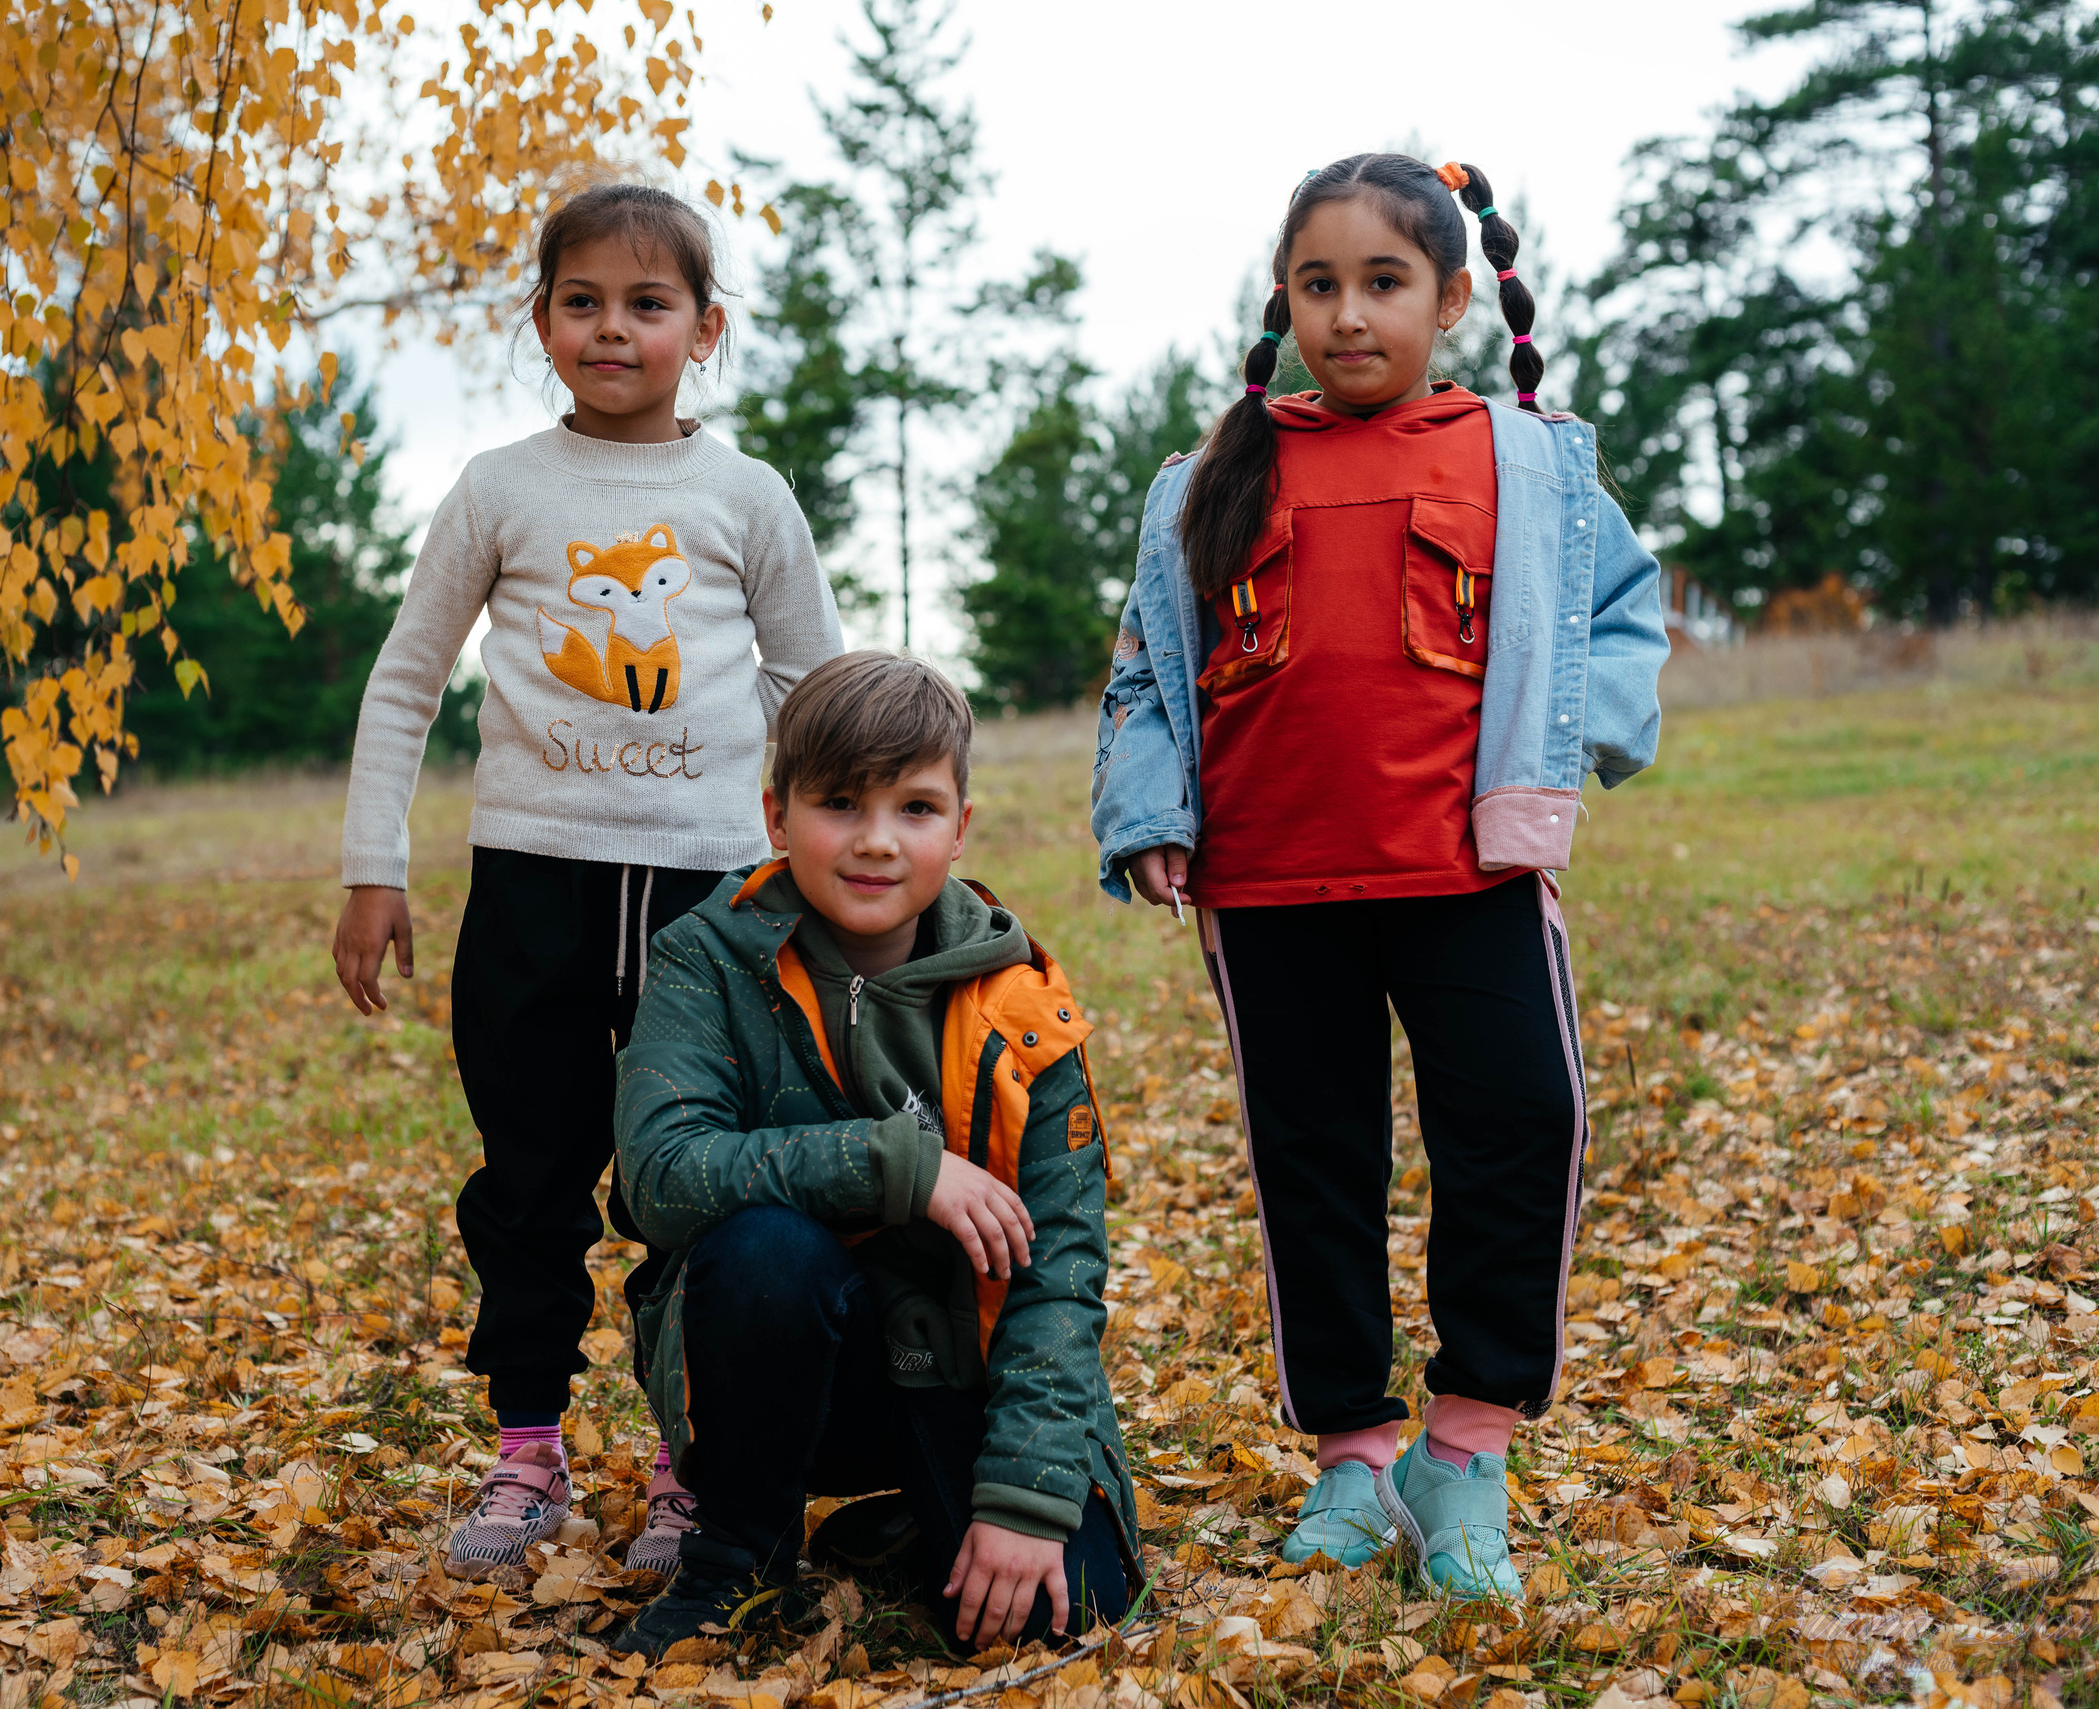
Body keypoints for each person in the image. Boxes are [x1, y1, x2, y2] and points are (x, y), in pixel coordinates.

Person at [1090, 155, 1668, 1602]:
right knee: (1316, 1167)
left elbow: (1619, 615)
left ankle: (1466, 1447)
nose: (1348, 313)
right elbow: (1146, 677)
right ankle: (1354, 1452)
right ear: (1283, 299)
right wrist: (1150, 810)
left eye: (1384, 282)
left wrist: (1568, 736)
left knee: (1524, 1120)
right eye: (1318, 283)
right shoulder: (1208, 480)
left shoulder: (1528, 463)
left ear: (1453, 298)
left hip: (1464, 869)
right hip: (1272, 886)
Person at [330, 181, 845, 1579]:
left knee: (691, 1189)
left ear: (706, 327)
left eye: (647, 303)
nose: (613, 328)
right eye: (582, 301)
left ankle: (693, 1464)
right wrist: (376, 867)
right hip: (532, 894)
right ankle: (526, 1455)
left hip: (714, 909)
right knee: (533, 1183)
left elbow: (816, 691)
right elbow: (404, 682)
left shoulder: (746, 497)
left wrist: (838, 875)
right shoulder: (501, 487)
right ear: (543, 320)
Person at [606, 652, 1140, 1656]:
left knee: (1061, 1613)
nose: (876, 841)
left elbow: (1061, 1270)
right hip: (781, 1346)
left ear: (961, 827)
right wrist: (901, 1166)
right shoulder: (702, 956)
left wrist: (1025, 1498)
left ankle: (911, 1513)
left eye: (916, 807)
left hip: (956, 1361)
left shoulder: (1020, 1000)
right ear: (776, 815)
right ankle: (739, 1556)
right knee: (767, 1247)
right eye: (840, 802)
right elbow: (663, 1177)